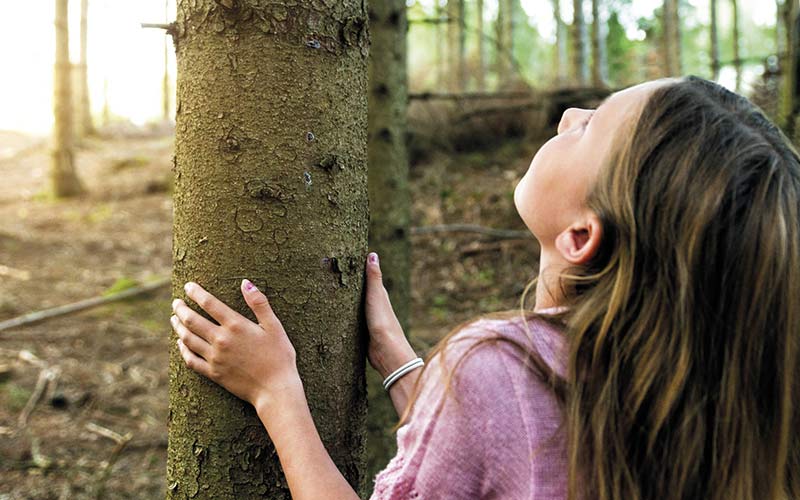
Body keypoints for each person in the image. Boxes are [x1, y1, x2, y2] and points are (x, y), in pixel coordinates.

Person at [169, 76, 800, 500]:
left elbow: (504, 414)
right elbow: (509, 448)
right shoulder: (702, 400)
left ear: (582, 236)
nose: (568, 114)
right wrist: (398, 360)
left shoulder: (498, 364)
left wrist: (275, 390)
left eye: (590, 127)